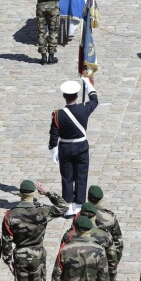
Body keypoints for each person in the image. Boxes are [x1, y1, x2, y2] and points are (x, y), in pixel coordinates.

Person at [1, 180, 68, 281]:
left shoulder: (11, 214)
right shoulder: (42, 211)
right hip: (38, 254)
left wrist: (8, 260)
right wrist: (48, 192)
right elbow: (63, 206)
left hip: (20, 255)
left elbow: (6, 239)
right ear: (32, 194)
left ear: (20, 194)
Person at [48, 76, 98, 216]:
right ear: (77, 95)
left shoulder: (58, 115)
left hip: (66, 148)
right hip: (81, 146)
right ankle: (79, 205)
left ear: (64, 96)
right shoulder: (84, 109)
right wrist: (88, 85)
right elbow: (95, 100)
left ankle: (68, 205)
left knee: (67, 176)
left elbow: (54, 134)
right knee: (81, 175)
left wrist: (53, 149)